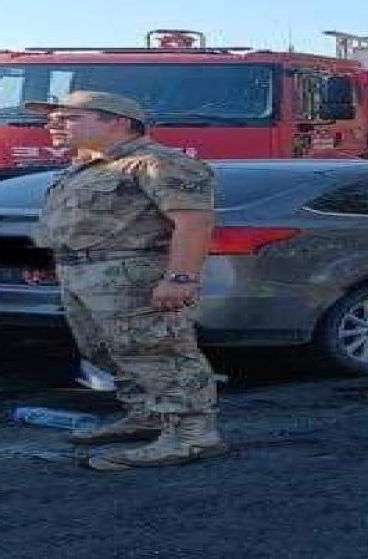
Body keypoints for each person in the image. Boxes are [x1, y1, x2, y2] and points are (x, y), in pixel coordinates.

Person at [22, 90, 226, 472]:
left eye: (67, 117)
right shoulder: (85, 167)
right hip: (83, 276)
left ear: (117, 121)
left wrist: (181, 278)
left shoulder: (158, 163)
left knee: (159, 354)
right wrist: (48, 259)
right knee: (106, 351)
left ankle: (191, 436)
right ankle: (146, 416)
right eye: (51, 119)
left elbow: (193, 221)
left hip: (131, 277)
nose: (53, 125)